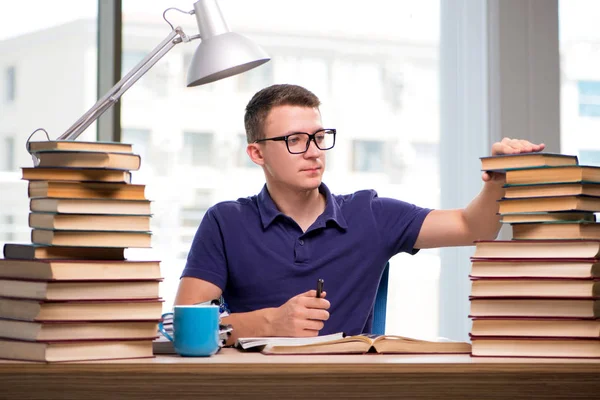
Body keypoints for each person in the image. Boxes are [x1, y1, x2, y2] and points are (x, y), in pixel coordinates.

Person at [174, 84, 544, 344]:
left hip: (348, 385)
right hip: (253, 387)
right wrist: (270, 321)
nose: (314, 151)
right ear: (257, 153)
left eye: (319, 137)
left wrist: (498, 180)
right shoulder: (225, 221)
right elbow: (183, 326)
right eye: (295, 140)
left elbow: (471, 226)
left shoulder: (370, 214)